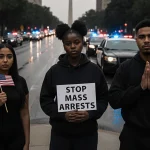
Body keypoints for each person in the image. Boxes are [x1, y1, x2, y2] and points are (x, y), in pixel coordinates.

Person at [40, 20, 108, 150]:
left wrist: (90, 114)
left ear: (83, 42)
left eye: (76, 42)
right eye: (68, 43)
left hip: (87, 135)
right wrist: (62, 115)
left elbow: (103, 99)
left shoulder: (95, 70)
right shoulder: (54, 72)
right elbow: (45, 100)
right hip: (60, 135)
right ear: (64, 45)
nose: (72, 46)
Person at [109, 19, 150, 150]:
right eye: (142, 37)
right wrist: (140, 88)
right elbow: (114, 100)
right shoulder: (126, 68)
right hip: (133, 137)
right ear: (136, 39)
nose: (147, 40)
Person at [0, 44, 30, 150]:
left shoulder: (20, 82)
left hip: (17, 138)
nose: (5, 60)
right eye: (1, 56)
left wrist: (27, 143)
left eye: (9, 56)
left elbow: (25, 113)